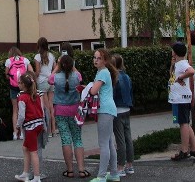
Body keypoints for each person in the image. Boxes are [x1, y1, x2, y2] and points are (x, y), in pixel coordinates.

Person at [82, 49, 120, 182]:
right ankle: (114, 173)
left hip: (104, 109)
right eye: (94, 57)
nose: (95, 60)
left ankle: (102, 176)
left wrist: (86, 87)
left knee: (103, 143)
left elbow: (93, 91)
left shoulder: (103, 73)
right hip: (108, 109)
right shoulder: (103, 72)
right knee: (109, 142)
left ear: (105, 60)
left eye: (99, 58)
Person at [49, 54, 87, 179]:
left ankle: (70, 170)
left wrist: (57, 66)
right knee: (77, 139)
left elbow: (49, 79)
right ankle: (81, 169)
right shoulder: (76, 76)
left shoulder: (56, 77)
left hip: (60, 110)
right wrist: (73, 67)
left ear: (61, 65)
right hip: (75, 110)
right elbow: (80, 76)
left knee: (65, 139)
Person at [169, 42, 195, 162]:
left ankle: (184, 150)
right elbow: (172, 77)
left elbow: (191, 71)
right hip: (180, 97)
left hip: (181, 98)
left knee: (183, 124)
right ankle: (194, 148)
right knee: (186, 122)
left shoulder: (182, 64)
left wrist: (181, 77)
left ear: (174, 52)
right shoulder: (178, 64)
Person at [14, 73, 45, 182]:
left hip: (30, 126)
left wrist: (17, 125)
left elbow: (21, 115)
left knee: (33, 151)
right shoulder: (36, 95)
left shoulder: (22, 97)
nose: (18, 84)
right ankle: (25, 173)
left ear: (23, 84)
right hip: (38, 124)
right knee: (26, 148)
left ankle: (36, 177)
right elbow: (42, 109)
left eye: (19, 82)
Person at [112, 54, 135, 176]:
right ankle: (130, 165)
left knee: (120, 140)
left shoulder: (114, 78)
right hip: (127, 108)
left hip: (117, 110)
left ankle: (120, 167)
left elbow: (113, 95)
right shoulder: (127, 77)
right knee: (128, 138)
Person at [5, 47, 33, 140]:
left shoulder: (8, 61)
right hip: (24, 87)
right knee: (24, 108)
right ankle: (22, 133)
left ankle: (15, 132)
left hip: (13, 87)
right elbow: (31, 72)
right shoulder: (25, 60)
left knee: (15, 109)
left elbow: (7, 75)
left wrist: (13, 80)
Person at [32, 37, 57, 136]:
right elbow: (55, 68)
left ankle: (49, 131)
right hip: (51, 81)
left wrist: (32, 77)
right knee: (51, 106)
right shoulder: (51, 55)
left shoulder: (37, 57)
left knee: (45, 107)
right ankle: (54, 129)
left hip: (42, 82)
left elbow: (37, 72)